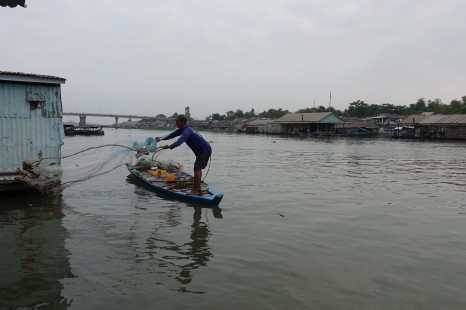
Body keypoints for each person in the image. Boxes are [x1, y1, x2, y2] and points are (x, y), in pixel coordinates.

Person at [156, 114, 212, 196]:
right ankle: (198, 189)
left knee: (197, 168)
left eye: (177, 121)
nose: (176, 122)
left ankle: (196, 190)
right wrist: (160, 138)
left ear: (182, 121)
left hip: (204, 150)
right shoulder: (182, 129)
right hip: (203, 150)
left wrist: (170, 146)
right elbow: (171, 135)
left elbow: (179, 141)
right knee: (197, 168)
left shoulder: (186, 131)